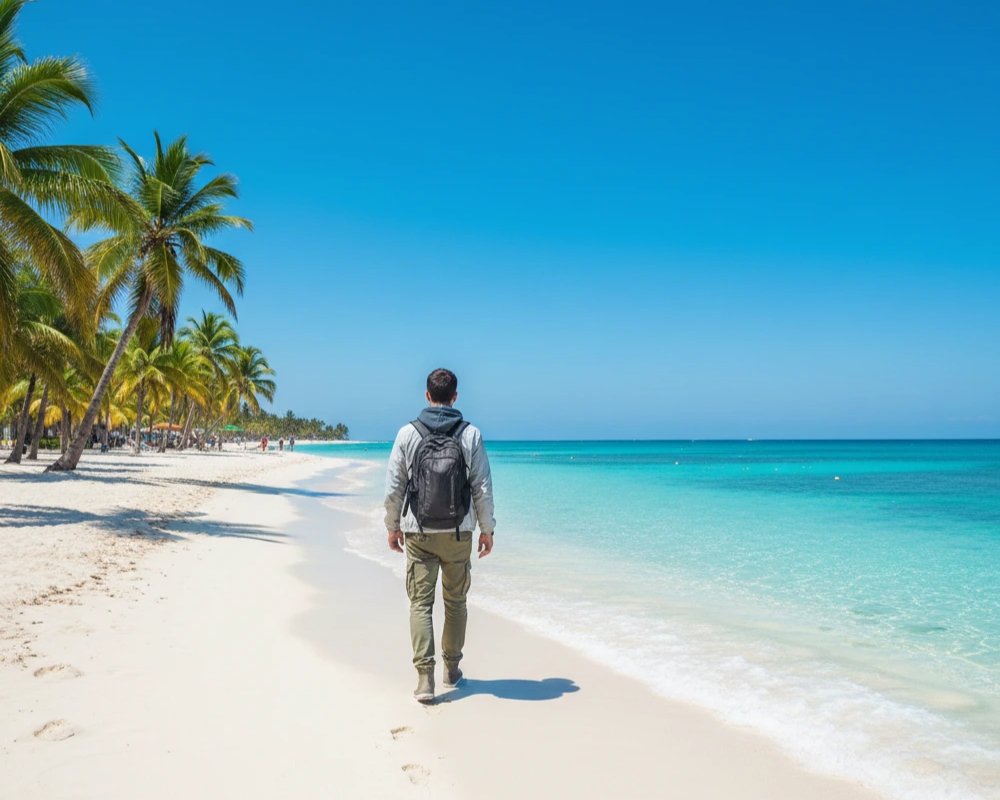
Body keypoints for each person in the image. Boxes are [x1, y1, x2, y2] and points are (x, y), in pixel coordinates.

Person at [384, 368, 496, 703]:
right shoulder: (470, 434)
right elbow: (482, 486)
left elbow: (394, 486)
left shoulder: (408, 433)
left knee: (420, 603)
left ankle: (424, 680)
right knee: (456, 601)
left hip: (419, 531)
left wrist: (392, 525)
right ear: (456, 397)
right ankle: (452, 670)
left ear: (427, 395)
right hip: (459, 532)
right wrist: (487, 528)